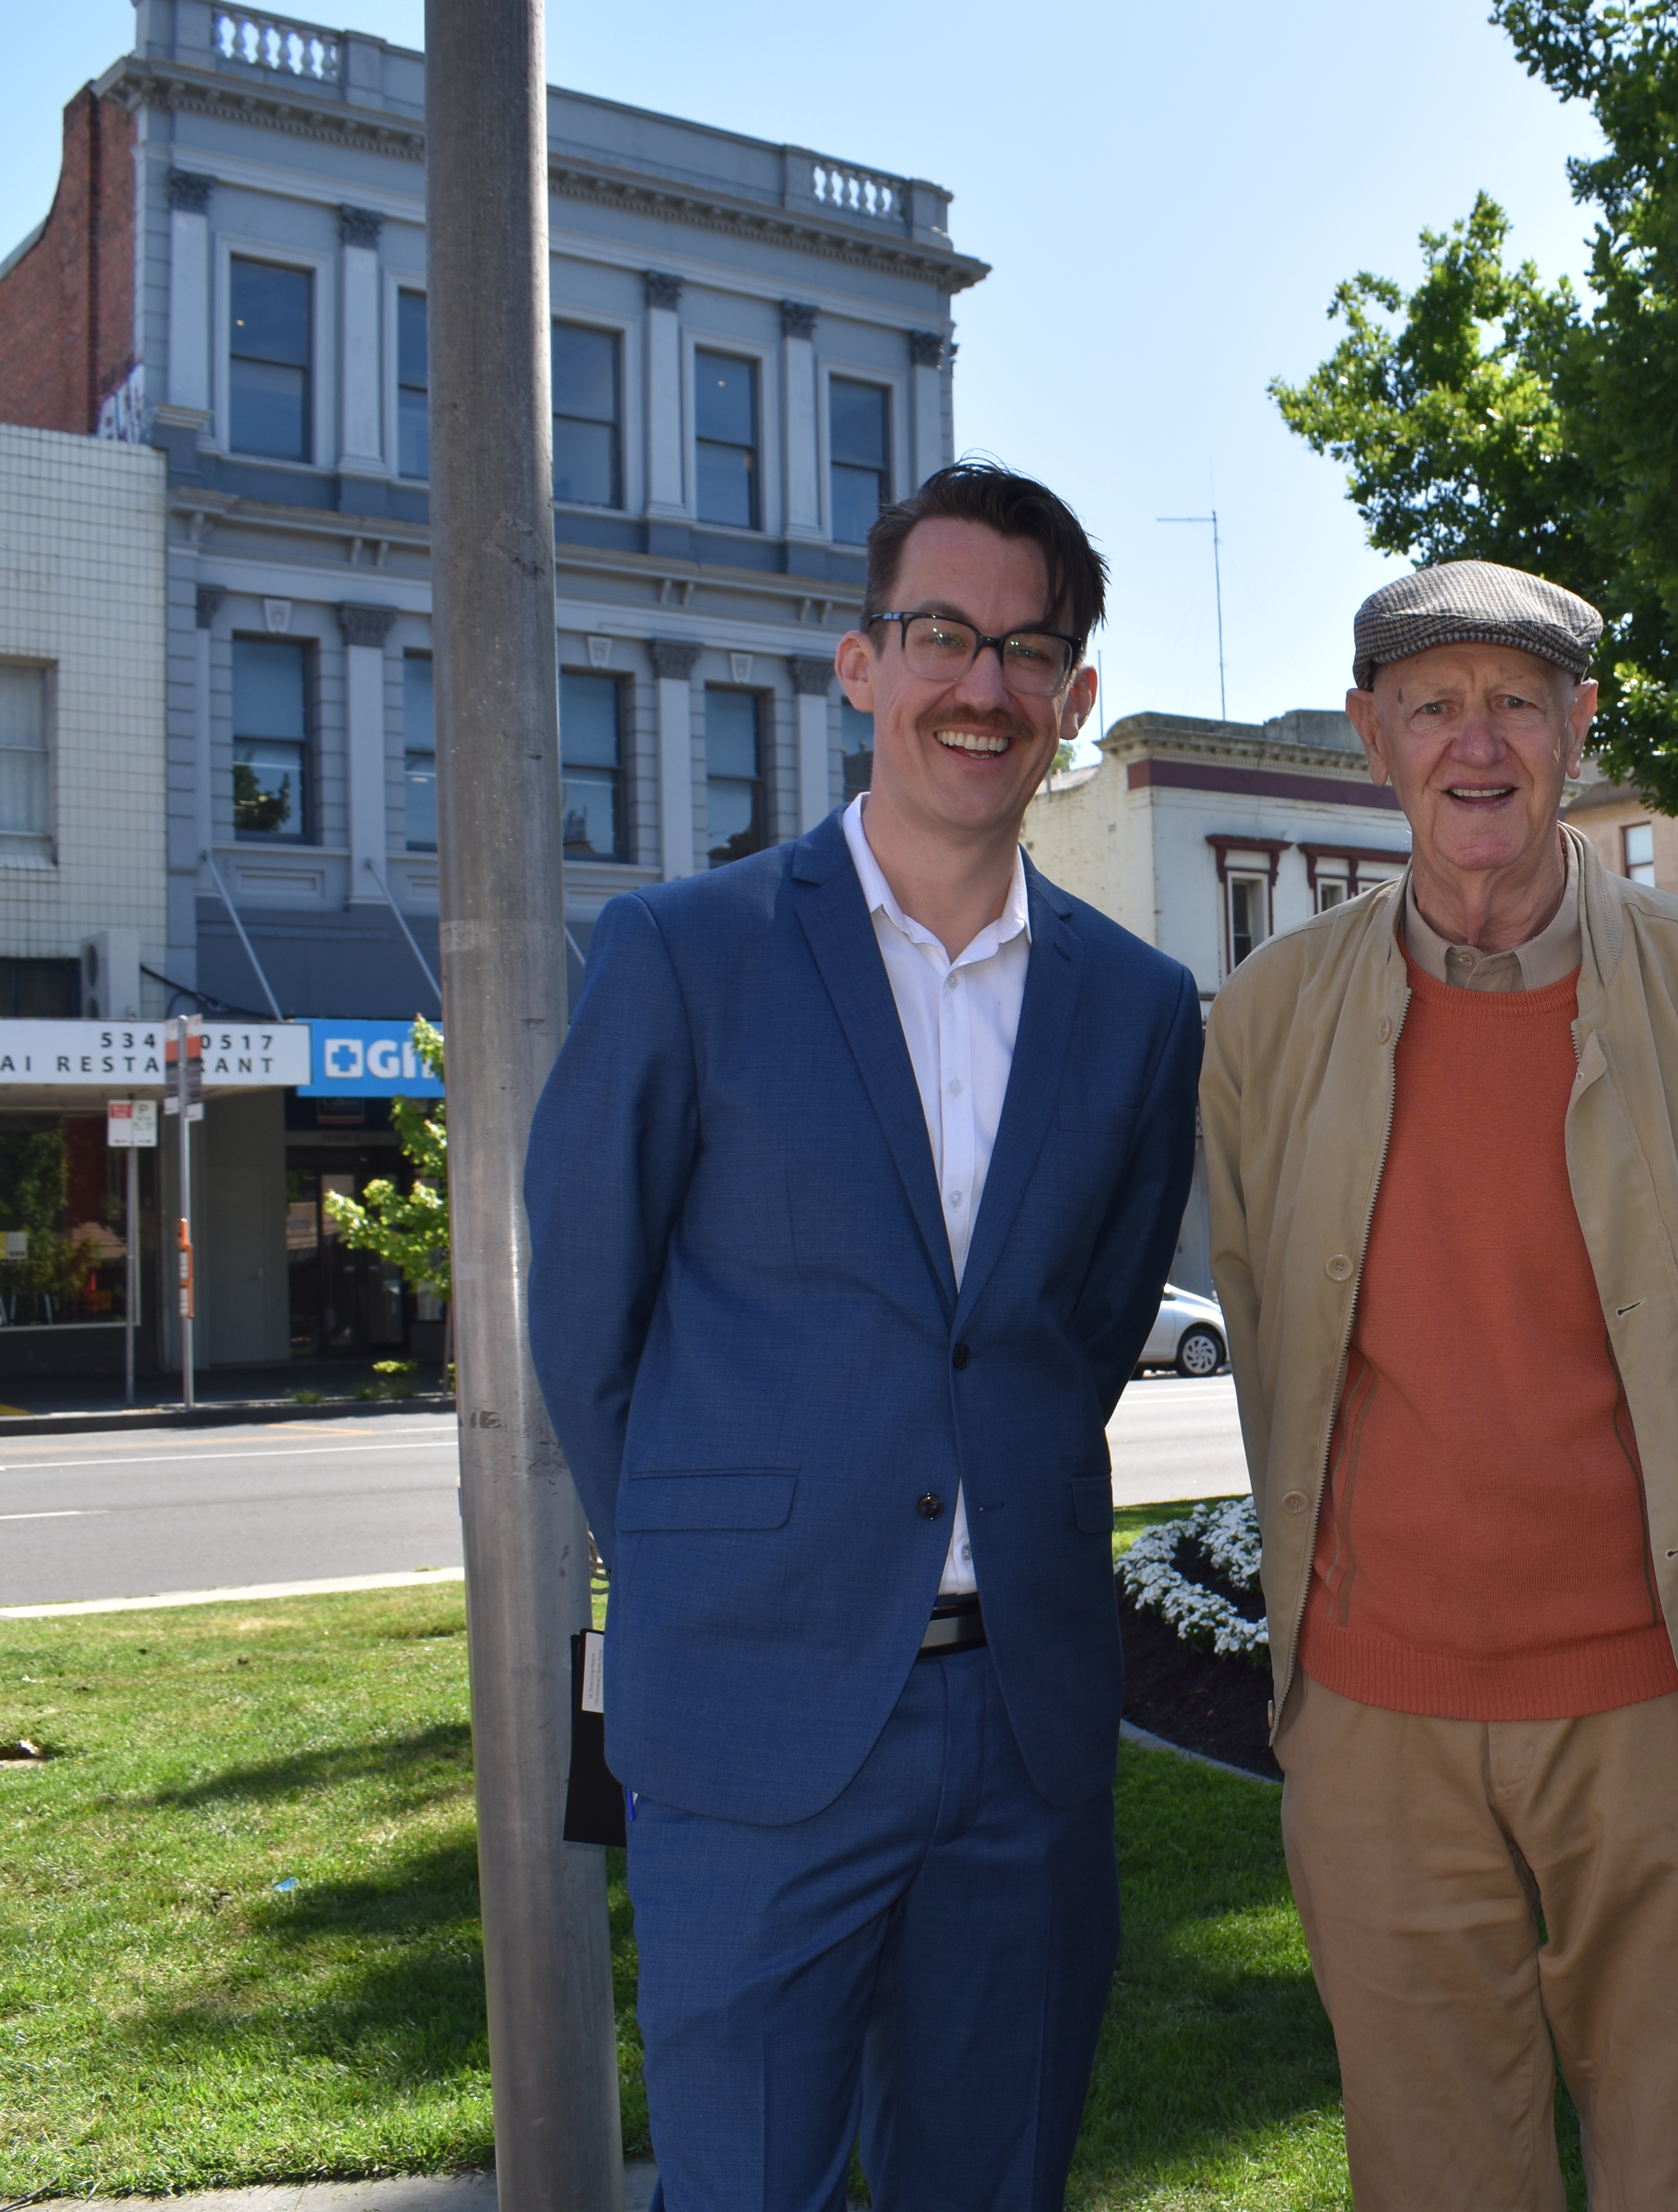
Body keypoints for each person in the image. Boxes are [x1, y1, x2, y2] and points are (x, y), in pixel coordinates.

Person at [526, 463, 1202, 2212]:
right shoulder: (685, 954)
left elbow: (1078, 1328)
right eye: (944, 637)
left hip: (1028, 1730)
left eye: (1029, 651)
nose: (984, 687)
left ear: (1075, 697)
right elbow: (587, 1318)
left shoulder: (1136, 1012)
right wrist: (714, 1565)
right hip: (755, 1710)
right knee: (744, 2189)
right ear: (858, 662)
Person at [1200, 559, 1678, 2212]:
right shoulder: (1271, 1017)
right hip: (1373, 1721)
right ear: (1369, 735)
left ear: (1580, 725)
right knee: (1429, 2179)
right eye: (1430, 705)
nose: (1473, 744)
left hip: (1667, 1716)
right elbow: (1268, 1326)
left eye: (1514, 703)